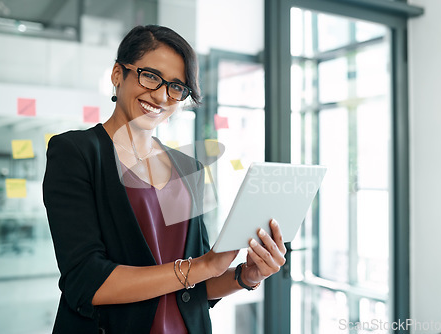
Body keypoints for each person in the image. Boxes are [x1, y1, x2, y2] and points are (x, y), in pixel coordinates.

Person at [43, 25, 286, 334]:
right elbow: (86, 281)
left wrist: (246, 276)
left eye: (176, 87)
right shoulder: (76, 152)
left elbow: (195, 285)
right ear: (118, 74)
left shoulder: (188, 167)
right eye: (151, 76)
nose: (160, 95)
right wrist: (203, 266)